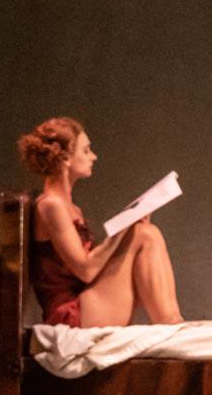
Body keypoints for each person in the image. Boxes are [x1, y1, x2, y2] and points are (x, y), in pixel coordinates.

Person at [17, 117, 184, 327]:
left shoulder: (69, 207)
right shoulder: (51, 206)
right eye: (86, 150)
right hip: (69, 313)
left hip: (86, 300)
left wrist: (129, 225)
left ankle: (171, 321)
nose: (93, 157)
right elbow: (85, 271)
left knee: (145, 231)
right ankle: (170, 322)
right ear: (65, 158)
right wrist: (122, 230)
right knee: (143, 233)